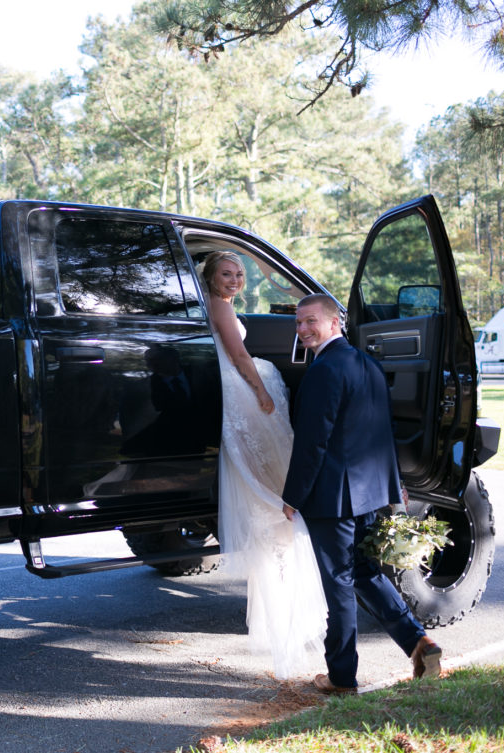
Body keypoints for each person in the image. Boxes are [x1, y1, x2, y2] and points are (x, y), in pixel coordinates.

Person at [281, 293, 442, 694]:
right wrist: (392, 486)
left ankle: (341, 677)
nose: (302, 330)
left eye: (311, 321)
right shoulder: (368, 364)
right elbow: (383, 432)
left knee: (338, 583)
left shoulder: (322, 371)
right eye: (299, 323)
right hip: (367, 495)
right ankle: (420, 642)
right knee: (367, 574)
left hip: (331, 498)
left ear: (335, 323)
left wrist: (294, 495)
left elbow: (312, 443)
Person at [202, 251, 328, 680]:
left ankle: (283, 565)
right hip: (232, 389)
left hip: (227, 383)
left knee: (270, 488)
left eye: (239, 274)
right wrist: (261, 393)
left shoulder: (220, 303)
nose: (234, 280)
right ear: (210, 276)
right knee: (272, 489)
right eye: (226, 273)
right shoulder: (217, 305)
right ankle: (288, 524)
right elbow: (238, 358)